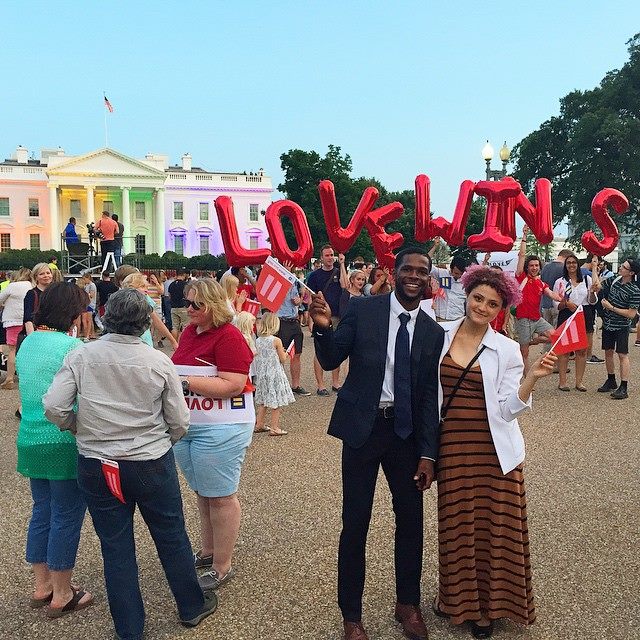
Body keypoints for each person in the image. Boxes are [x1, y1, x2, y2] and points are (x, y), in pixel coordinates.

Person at [43, 288, 217, 638]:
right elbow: (180, 419)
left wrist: (79, 428)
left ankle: (129, 627)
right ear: (144, 323)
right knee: (171, 535)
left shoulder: (82, 356)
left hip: (98, 462)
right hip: (149, 460)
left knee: (115, 543)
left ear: (107, 316)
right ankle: (191, 605)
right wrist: (163, 440)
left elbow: (54, 406)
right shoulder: (157, 361)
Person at [309, 247, 444, 640]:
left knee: (411, 522)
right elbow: (333, 359)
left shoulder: (433, 333)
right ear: (394, 271)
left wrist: (427, 454)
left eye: (422, 270)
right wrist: (321, 327)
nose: (414, 276)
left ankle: (408, 604)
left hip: (405, 436)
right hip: (364, 430)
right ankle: (351, 615)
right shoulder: (364, 310)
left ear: (429, 278)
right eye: (407, 269)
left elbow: (427, 396)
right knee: (355, 524)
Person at [434, 265, 556, 639]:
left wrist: (531, 378)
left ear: (501, 309)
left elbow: (506, 409)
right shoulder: (439, 335)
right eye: (478, 299)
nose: (483, 308)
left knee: (494, 529)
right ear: (467, 295)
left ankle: (487, 609)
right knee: (457, 526)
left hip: (495, 452)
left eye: (492, 303)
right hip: (452, 448)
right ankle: (454, 598)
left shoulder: (505, 349)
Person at [171, 278, 255, 593]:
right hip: (189, 424)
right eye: (187, 302)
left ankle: (222, 565)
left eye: (196, 304)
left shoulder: (229, 336)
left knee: (220, 496)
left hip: (222, 426)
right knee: (204, 493)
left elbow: (233, 383)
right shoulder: (190, 332)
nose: (189, 309)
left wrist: (186, 382)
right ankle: (209, 551)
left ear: (213, 305)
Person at [15, 282, 93, 618]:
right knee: (66, 514)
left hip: (29, 436)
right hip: (61, 438)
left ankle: (42, 584)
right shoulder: (72, 346)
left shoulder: (29, 341)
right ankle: (63, 591)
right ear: (72, 313)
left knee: (42, 510)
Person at [514, 227, 562, 374]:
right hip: (523, 319)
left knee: (555, 336)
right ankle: (526, 379)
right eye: (531, 265)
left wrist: (564, 297)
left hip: (537, 319)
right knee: (525, 353)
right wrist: (524, 236)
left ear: (540, 267)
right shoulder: (521, 277)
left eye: (536, 265)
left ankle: (529, 339)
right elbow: (522, 255)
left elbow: (552, 295)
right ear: (527, 267)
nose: (534, 268)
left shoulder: (540, 283)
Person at [552, 253, 600, 391]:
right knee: (564, 350)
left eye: (574, 262)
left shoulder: (587, 279)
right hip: (566, 314)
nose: (571, 265)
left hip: (583, 313)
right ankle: (562, 382)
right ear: (565, 265)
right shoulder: (560, 282)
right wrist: (565, 304)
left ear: (578, 264)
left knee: (582, 350)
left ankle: (579, 382)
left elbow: (592, 301)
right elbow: (555, 304)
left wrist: (592, 293)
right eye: (569, 263)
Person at [596, 258, 640, 399]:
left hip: (621, 326)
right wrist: (594, 268)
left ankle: (624, 386)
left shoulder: (635, 290)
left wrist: (611, 308)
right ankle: (611, 379)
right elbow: (599, 286)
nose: (620, 268)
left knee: (622, 354)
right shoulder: (615, 280)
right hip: (608, 324)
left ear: (631, 272)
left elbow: (631, 314)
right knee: (608, 352)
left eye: (624, 267)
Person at [307, 245, 344, 395]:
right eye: (327, 255)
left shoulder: (339, 271)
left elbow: (345, 285)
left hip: (337, 315)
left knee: (337, 349)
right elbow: (311, 297)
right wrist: (310, 319)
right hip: (320, 316)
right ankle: (320, 385)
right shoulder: (315, 276)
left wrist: (342, 264)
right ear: (321, 258)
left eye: (332, 255)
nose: (330, 258)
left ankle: (336, 382)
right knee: (320, 350)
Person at [253, 312, 295, 436]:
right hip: (275, 373)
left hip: (263, 374)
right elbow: (282, 359)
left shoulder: (259, 340)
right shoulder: (276, 340)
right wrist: (287, 352)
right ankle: (274, 427)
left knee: (263, 401)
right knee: (276, 402)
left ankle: (259, 424)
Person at [275, 264, 311, 396]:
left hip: (293, 320)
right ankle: (279, 385)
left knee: (297, 353)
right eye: (286, 266)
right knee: (280, 354)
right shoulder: (278, 280)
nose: (289, 267)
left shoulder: (294, 280)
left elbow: (296, 300)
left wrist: (299, 300)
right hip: (281, 320)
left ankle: (295, 385)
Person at [121, 272, 178, 350]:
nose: (146, 290)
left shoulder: (146, 298)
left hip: (145, 343)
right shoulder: (121, 304)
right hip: (129, 345)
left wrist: (173, 341)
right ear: (131, 287)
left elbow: (156, 320)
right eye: (142, 286)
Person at [0, 267, 32, 389]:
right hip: (28, 320)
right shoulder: (32, 285)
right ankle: (27, 376)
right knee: (28, 349)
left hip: (13, 320)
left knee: (12, 350)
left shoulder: (12, 286)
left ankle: (9, 378)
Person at [428, 239, 468, 321]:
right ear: (451, 269)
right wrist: (435, 247)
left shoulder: (467, 280)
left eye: (461, 273)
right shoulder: (442, 274)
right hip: (440, 317)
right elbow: (426, 264)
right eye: (456, 273)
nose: (459, 276)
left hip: (457, 319)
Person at [540, 248, 573, 342]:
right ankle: (556, 354)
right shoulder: (564, 268)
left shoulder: (545, 267)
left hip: (545, 304)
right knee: (558, 332)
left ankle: (547, 353)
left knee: (547, 333)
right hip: (558, 304)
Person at [24, 263, 54, 335]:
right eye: (41, 274)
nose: (46, 276)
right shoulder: (31, 294)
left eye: (48, 273)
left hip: (55, 333)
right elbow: (28, 318)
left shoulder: (57, 293)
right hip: (38, 333)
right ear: (36, 277)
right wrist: (32, 337)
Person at [168, 268, 190, 339]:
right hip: (183, 307)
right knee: (184, 326)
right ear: (183, 275)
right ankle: (182, 343)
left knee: (174, 327)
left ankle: (175, 344)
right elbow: (188, 296)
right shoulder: (185, 285)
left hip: (173, 307)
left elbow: (169, 296)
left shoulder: (171, 284)